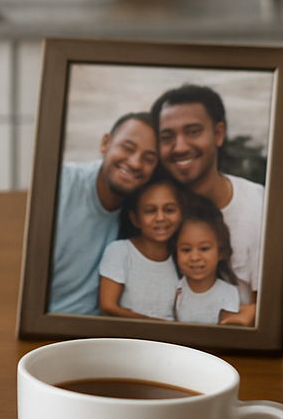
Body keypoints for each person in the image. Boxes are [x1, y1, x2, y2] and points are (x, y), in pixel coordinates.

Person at [151, 85, 264, 311]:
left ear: (218, 133)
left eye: (193, 132)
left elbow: (269, 309)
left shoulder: (260, 205)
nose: (180, 147)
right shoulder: (152, 212)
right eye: (167, 137)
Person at [48, 112, 158, 316]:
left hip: (92, 329)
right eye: (127, 148)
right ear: (105, 143)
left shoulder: (146, 215)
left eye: (148, 159)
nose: (135, 163)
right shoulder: (59, 183)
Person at [98, 173, 182, 321]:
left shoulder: (183, 256)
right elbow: (108, 306)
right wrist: (158, 326)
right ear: (135, 219)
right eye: (150, 211)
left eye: (169, 210)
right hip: (128, 334)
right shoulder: (121, 251)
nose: (160, 218)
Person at [172, 195, 247, 325]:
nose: (195, 257)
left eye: (204, 248)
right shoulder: (175, 291)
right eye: (186, 250)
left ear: (221, 252)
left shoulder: (228, 293)